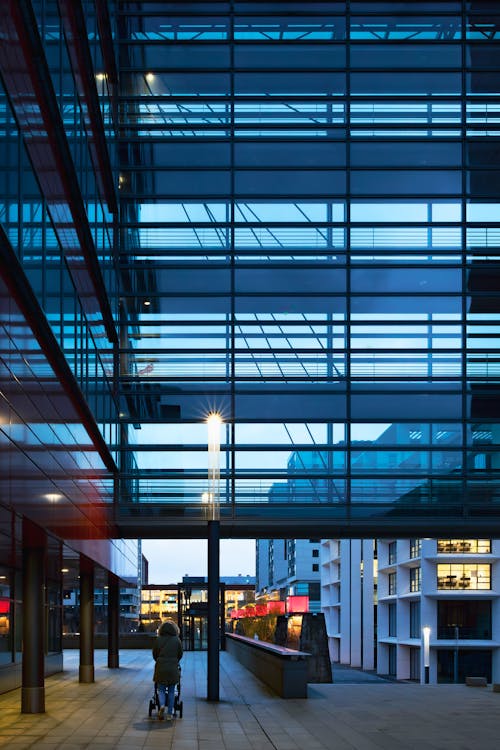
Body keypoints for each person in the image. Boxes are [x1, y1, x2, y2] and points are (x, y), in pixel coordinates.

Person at [152, 619, 183, 721]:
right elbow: (180, 654)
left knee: (160, 689)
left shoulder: (158, 639)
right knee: (171, 691)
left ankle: (161, 706)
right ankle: (170, 713)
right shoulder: (177, 640)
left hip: (161, 666)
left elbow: (154, 654)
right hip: (173, 668)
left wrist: (160, 660)